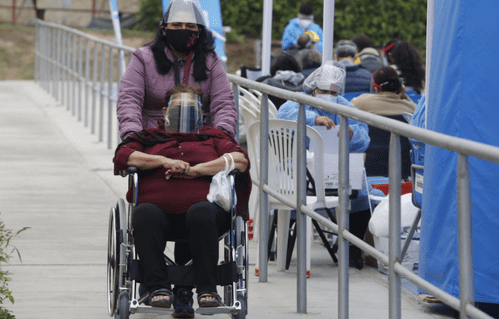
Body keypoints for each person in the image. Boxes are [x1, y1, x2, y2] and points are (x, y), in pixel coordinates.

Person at [113, 85, 251, 316]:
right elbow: (123, 156)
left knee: (200, 213)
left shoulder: (213, 138)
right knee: (144, 213)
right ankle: (158, 287)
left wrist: (198, 170)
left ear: (201, 113)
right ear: (165, 111)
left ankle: (207, 290)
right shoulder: (149, 139)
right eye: (179, 107)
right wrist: (163, 161)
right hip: (157, 212)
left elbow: (239, 160)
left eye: (191, 107)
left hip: (205, 214)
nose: (185, 112)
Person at [277, 64, 383, 269]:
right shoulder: (299, 101)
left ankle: (353, 251)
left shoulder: (343, 105)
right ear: (314, 87)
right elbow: (284, 115)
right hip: (298, 169)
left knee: (363, 192)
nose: (328, 95)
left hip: (332, 170)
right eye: (324, 91)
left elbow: (364, 134)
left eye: (333, 92)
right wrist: (313, 119)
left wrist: (352, 133)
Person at [117, 0, 237, 141]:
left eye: (190, 25)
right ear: (164, 30)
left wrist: (222, 134)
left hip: (199, 140)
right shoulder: (142, 57)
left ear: (199, 31)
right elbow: (129, 99)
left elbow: (224, 103)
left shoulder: (210, 60)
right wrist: (133, 135)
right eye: (176, 24)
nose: (183, 29)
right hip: (153, 138)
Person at [350, 66, 417, 115]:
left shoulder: (361, 102)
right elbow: (417, 110)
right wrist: (404, 97)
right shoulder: (411, 108)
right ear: (400, 88)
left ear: (376, 88)